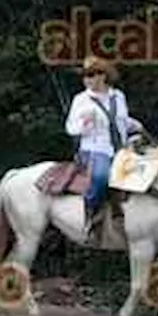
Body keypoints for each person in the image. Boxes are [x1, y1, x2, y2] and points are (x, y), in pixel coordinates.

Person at [64, 56, 142, 245]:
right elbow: (70, 128)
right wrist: (84, 123)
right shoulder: (81, 100)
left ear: (103, 76)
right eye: (85, 76)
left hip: (121, 149)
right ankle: (90, 215)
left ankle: (136, 221)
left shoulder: (118, 96)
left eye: (91, 75)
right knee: (101, 175)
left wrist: (134, 125)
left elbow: (121, 121)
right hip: (94, 149)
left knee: (145, 172)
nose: (87, 79)